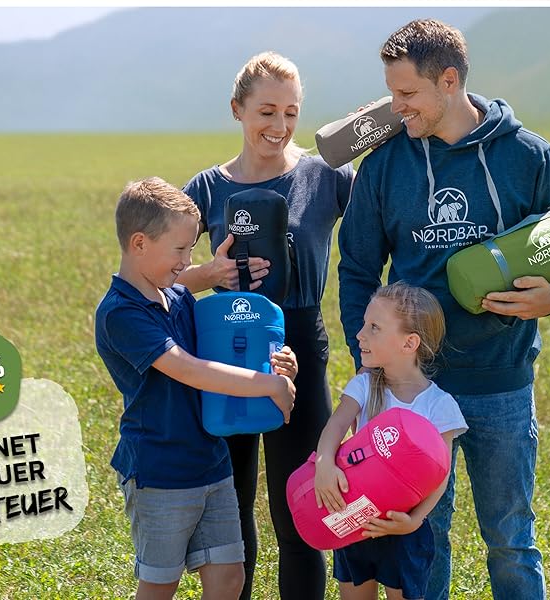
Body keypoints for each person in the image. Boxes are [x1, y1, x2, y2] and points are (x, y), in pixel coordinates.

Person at [337, 19, 550, 599]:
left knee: (511, 539)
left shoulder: (529, 156)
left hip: (502, 385)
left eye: (407, 94)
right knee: (423, 538)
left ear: (449, 81)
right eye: (391, 93)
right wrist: (370, 363)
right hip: (414, 391)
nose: (394, 108)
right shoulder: (385, 164)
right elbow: (358, 271)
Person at [179, 51, 355, 598]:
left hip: (300, 342)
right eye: (266, 112)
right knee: (232, 511)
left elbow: (386, 219)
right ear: (237, 110)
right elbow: (157, 277)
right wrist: (210, 272)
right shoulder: (206, 189)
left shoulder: (327, 176)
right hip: (225, 347)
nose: (279, 127)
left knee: (300, 505)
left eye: (291, 113)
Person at [94, 176, 298, 600]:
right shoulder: (120, 314)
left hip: (210, 462)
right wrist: (266, 386)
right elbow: (187, 369)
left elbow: (226, 346)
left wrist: (278, 363)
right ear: (139, 244)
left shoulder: (177, 297)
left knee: (229, 579)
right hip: (160, 469)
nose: (186, 259)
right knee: (159, 585)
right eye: (180, 250)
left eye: (190, 249)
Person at [312, 283, 468, 600]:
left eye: (374, 328)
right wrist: (324, 462)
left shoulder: (440, 406)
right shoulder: (365, 385)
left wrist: (414, 521)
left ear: (409, 343)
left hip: (402, 529)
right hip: (354, 518)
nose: (360, 335)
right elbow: (336, 425)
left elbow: (440, 476)